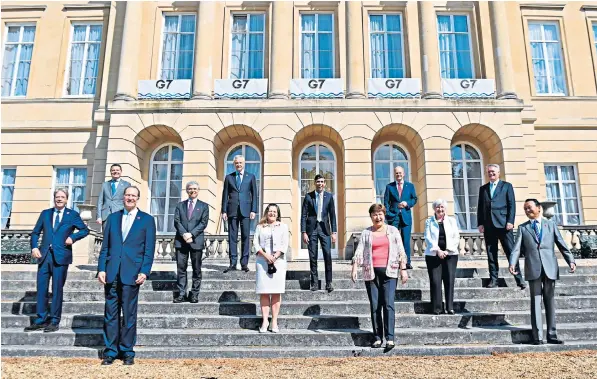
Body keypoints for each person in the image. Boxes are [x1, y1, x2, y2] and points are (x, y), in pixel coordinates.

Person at [97, 186, 156, 365]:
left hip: (132, 274)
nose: (130, 198)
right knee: (110, 314)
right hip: (112, 272)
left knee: (129, 315)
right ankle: (110, 351)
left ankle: (127, 351)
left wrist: (145, 271)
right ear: (123, 197)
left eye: (133, 195)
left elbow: (149, 250)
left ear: (138, 198)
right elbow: (105, 247)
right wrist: (101, 268)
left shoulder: (147, 220)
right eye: (127, 195)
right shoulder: (113, 218)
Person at [509, 199, 576, 345]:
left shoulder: (551, 225)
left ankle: (552, 335)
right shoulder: (523, 228)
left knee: (550, 301)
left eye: (529, 208)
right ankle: (537, 336)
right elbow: (516, 249)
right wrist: (512, 263)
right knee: (535, 302)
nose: (527, 211)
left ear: (539, 208)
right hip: (533, 268)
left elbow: (561, 244)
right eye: (525, 209)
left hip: (550, 267)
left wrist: (570, 260)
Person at [25, 188, 89, 332]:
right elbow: (35, 233)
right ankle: (41, 319)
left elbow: (85, 230)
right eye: (57, 197)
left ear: (67, 199)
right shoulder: (46, 214)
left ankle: (54, 320)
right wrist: (34, 247)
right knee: (41, 288)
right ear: (54, 198)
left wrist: (72, 238)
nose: (59, 199)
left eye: (62, 197)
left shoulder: (72, 215)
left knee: (57, 289)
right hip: (44, 256)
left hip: (61, 257)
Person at [351, 204, 408, 349]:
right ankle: (377, 337)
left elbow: (401, 251)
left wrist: (403, 269)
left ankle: (390, 338)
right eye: (375, 215)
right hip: (371, 273)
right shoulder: (366, 233)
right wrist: (355, 267)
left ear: (384, 215)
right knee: (375, 306)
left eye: (380, 214)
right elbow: (359, 251)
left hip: (390, 272)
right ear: (371, 217)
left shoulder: (393, 231)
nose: (378, 217)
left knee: (388, 304)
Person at [477, 164, 525, 289]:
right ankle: (494, 280)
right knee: (491, 254)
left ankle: (519, 279)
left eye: (493, 171)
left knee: (511, 253)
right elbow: (480, 207)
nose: (491, 174)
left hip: (504, 225)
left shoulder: (506, 186)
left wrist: (510, 221)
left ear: (498, 173)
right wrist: (480, 223)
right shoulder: (483, 189)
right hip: (489, 225)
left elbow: (511, 205)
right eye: (489, 172)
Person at [252, 203, 289, 333]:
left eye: (274, 211)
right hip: (262, 262)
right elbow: (255, 243)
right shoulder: (260, 226)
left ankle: (274, 321)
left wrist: (276, 256)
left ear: (278, 214)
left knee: (276, 291)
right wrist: (266, 255)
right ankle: (264, 320)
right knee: (264, 292)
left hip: (278, 262)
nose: (272, 213)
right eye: (270, 211)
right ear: (266, 213)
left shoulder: (283, 226)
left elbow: (285, 244)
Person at [173, 181, 209, 303]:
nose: (192, 190)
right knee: (181, 269)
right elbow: (176, 221)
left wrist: (191, 234)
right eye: (190, 188)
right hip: (181, 241)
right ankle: (182, 294)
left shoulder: (204, 206)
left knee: (196, 270)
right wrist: (184, 234)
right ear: (186, 190)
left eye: (195, 188)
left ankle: (194, 294)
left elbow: (203, 223)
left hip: (196, 241)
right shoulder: (179, 205)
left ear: (198, 190)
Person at [301, 174, 338, 292]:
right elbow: (303, 216)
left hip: (325, 229)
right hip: (312, 229)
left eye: (322, 182)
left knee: (327, 255)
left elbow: (332, 215)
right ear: (315, 183)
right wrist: (304, 232)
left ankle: (329, 283)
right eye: (318, 182)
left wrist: (334, 232)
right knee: (313, 257)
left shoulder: (329, 197)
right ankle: (314, 283)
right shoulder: (308, 196)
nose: (320, 184)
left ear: (325, 183)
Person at [221, 155, 258, 273]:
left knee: (245, 237)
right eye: (236, 163)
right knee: (232, 237)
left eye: (240, 163)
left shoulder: (251, 177)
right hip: (232, 210)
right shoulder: (229, 177)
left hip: (246, 210)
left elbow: (254, 195)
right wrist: (224, 210)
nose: (238, 165)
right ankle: (232, 263)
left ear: (244, 163)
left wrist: (253, 210)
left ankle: (244, 263)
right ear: (234, 164)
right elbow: (225, 195)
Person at [423, 199, 460, 315]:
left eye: (442, 207)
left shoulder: (452, 221)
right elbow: (427, 237)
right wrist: (438, 250)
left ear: (445, 208)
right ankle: (437, 308)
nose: (440, 209)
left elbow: (456, 237)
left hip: (451, 255)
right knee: (435, 281)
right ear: (434, 209)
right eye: (438, 207)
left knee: (449, 280)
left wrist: (447, 250)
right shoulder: (429, 221)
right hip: (433, 255)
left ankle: (450, 307)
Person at [383, 165, 417, 269]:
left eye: (400, 173)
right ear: (395, 174)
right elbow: (386, 202)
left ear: (404, 174)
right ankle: (393, 261)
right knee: (393, 240)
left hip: (406, 217)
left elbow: (414, 199)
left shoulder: (410, 186)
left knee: (405, 240)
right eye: (396, 173)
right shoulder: (389, 187)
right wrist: (388, 214)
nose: (398, 175)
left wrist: (407, 203)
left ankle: (407, 262)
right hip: (394, 217)